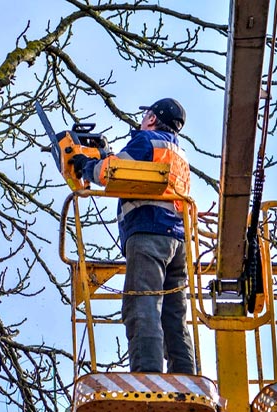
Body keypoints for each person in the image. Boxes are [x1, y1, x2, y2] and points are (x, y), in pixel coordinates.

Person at [71, 98, 195, 374]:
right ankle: (185, 376)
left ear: (151, 118)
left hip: (148, 233)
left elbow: (111, 172)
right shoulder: (179, 154)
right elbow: (132, 173)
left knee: (143, 303)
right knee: (174, 315)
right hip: (177, 240)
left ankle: (147, 375)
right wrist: (107, 156)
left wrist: (84, 165)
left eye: (145, 115)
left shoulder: (147, 142)